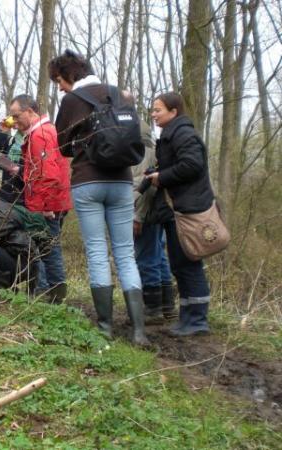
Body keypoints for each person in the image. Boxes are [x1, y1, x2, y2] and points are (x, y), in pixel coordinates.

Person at [48, 50, 148, 345]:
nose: (60, 88)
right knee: (125, 253)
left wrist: (81, 144)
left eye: (59, 81)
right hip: (122, 182)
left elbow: (62, 145)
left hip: (88, 181)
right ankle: (138, 331)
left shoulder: (72, 101)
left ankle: (105, 328)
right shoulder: (118, 94)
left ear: (68, 75)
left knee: (96, 251)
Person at [146, 92, 214, 336]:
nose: (153, 114)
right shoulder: (170, 134)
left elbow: (192, 165)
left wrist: (162, 177)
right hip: (176, 209)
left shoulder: (183, 134)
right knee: (179, 263)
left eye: (158, 110)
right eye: (153, 110)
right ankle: (187, 318)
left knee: (188, 262)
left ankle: (197, 320)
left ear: (173, 111)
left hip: (188, 209)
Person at [8, 94, 72, 302]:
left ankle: (52, 297)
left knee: (48, 249)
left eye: (16, 116)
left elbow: (48, 174)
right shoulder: (44, 131)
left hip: (47, 205)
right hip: (49, 201)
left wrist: (45, 206)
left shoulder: (40, 135)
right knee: (44, 248)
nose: (14, 121)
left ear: (29, 111)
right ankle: (46, 293)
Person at [132, 118, 176, 323]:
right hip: (155, 211)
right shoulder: (153, 150)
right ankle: (167, 306)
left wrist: (137, 216)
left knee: (146, 256)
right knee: (158, 255)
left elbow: (144, 186)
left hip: (146, 213)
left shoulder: (140, 154)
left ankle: (153, 309)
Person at [0, 119, 26, 206]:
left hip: (26, 201)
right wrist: (1, 132)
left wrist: (19, 170)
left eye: (17, 117)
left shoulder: (36, 141)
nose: (15, 120)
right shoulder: (11, 142)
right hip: (6, 199)